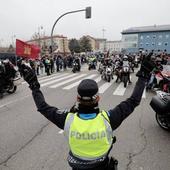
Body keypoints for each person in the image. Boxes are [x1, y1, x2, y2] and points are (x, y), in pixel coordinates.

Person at [18, 53, 155, 170]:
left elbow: (43, 107)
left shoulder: (68, 120)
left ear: (78, 98)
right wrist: (143, 76)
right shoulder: (108, 119)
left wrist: (34, 86)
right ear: (98, 98)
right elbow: (134, 101)